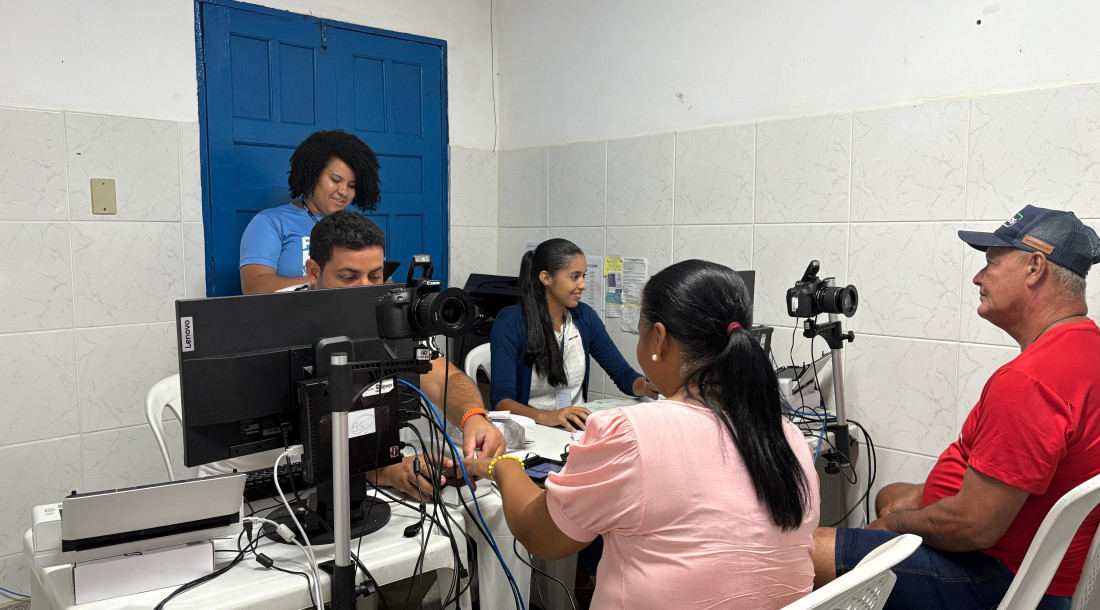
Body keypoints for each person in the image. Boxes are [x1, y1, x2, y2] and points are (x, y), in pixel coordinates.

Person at [465, 260, 820, 609]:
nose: (582, 285)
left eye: (639, 330)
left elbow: (540, 536)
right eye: (574, 276)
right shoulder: (787, 436)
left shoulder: (630, 433)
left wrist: (503, 467)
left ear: (660, 339)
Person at [811, 205, 1100, 610]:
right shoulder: (1087, 346)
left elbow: (973, 526)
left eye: (990, 264)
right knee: (890, 494)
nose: (978, 278)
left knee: (800, 552)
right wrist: (902, 508)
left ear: (1035, 267)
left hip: (998, 580)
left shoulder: (1031, 380)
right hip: (1037, 568)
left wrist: (891, 527)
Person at [209, 211, 507, 502]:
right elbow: (284, 442)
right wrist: (380, 471)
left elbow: (444, 378)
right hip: (266, 487)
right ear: (314, 272)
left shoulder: (391, 314)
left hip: (360, 473)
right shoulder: (270, 323)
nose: (365, 289)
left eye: (375, 276)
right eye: (349, 276)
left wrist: (473, 418)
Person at [490, 238, 657, 431]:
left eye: (584, 276)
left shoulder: (584, 317)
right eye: (575, 277)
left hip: (574, 430)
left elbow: (623, 375)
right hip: (532, 432)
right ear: (546, 278)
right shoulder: (510, 322)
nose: (583, 285)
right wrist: (550, 417)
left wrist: (646, 386)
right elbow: (501, 402)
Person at [239, 130, 381, 294]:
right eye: (335, 180)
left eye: (352, 185)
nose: (344, 191)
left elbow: (383, 284)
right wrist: (327, 280)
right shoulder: (271, 222)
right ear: (312, 176)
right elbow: (254, 287)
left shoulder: (359, 228)